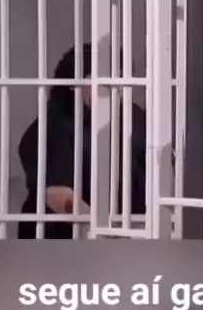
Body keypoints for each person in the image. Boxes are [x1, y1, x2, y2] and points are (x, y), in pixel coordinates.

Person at [18, 43, 146, 239]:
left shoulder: (134, 116)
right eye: (99, 78)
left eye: (119, 77)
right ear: (74, 83)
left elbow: (160, 172)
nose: (113, 87)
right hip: (62, 242)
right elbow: (57, 195)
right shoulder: (54, 124)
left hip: (128, 237)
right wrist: (107, 234)